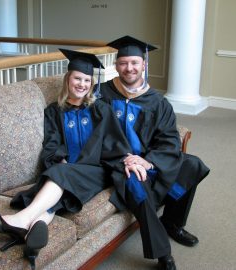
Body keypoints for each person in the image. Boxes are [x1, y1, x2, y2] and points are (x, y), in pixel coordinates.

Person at [0, 49, 135, 270]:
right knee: (59, 181)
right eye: (77, 78)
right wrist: (59, 159)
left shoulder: (100, 109)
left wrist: (128, 160)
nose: (82, 84)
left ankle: (20, 219)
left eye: (86, 80)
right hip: (69, 172)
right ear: (68, 80)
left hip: (97, 171)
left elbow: (115, 143)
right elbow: (52, 144)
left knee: (59, 176)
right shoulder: (54, 112)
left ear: (92, 83)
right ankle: (31, 232)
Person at [96, 35, 210, 270]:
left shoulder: (157, 102)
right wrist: (127, 159)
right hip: (117, 162)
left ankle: (172, 222)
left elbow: (169, 140)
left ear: (144, 65)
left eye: (134, 63)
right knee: (137, 183)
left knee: (192, 164)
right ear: (116, 66)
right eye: (124, 63)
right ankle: (162, 253)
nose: (129, 68)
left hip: (147, 158)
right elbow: (96, 135)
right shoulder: (103, 94)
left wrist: (148, 161)